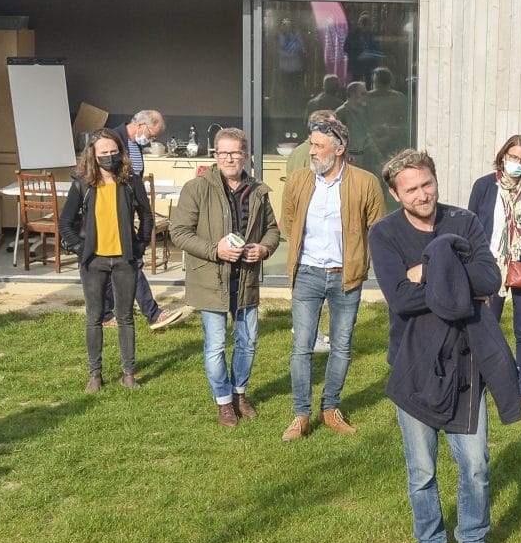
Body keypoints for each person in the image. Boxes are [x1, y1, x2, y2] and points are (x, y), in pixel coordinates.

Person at [368, 149, 512, 543]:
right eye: (411, 189)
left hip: (467, 361)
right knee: (422, 468)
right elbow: (401, 299)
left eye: (427, 183)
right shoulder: (385, 234)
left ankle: (473, 541)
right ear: (396, 194)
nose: (422, 194)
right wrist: (454, 277)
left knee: (475, 464)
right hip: (413, 363)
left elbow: (491, 278)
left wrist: (427, 272)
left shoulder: (463, 221)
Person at [278, 117, 382, 439]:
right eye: (311, 144)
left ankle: (331, 408)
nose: (311, 151)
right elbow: (289, 222)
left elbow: (377, 230)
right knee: (301, 346)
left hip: (346, 276)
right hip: (307, 273)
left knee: (342, 346)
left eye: (318, 146)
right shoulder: (297, 181)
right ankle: (301, 415)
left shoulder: (365, 183)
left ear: (339, 149)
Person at [169, 127, 277, 427]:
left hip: (245, 278)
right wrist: (214, 250)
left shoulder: (257, 190)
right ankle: (224, 402)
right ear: (215, 156)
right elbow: (179, 232)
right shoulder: (198, 188)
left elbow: (273, 229)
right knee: (216, 345)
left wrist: (264, 249)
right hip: (211, 278)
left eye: (235, 153)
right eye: (223, 153)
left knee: (249, 342)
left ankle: (240, 393)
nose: (229, 158)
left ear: (246, 155)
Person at [465, 135, 521, 415]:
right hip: (491, 264)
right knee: (485, 328)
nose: (518, 163)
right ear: (503, 156)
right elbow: (472, 224)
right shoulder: (484, 185)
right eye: (514, 157)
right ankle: (478, 385)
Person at [60, 128, 152, 392]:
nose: (109, 157)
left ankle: (129, 373)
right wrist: (81, 248)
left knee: (125, 317)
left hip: (125, 260)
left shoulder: (131, 181)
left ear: (120, 153)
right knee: (94, 317)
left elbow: (146, 216)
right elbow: (65, 222)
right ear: (93, 155)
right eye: (104, 153)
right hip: (94, 262)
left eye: (113, 152)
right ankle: (95, 374)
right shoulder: (82, 183)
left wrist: (140, 246)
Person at [107, 108, 189, 331]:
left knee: (118, 263)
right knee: (130, 262)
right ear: (141, 125)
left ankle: (105, 313)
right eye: (152, 135)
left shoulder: (134, 145)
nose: (151, 139)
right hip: (113, 213)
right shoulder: (112, 139)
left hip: (129, 210)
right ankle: (152, 314)